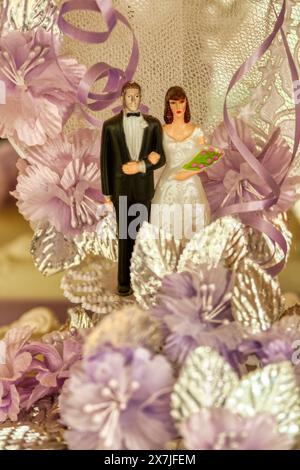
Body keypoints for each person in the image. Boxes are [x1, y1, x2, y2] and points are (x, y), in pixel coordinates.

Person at [100, 81, 166, 296]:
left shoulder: (153, 125)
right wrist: (107, 193)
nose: (133, 100)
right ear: (122, 97)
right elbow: (106, 161)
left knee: (142, 234)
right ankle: (124, 281)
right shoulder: (110, 126)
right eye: (129, 96)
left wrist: (143, 165)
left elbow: (160, 157)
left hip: (143, 188)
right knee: (124, 235)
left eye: (137, 96)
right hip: (121, 189)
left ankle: (142, 278)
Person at [150, 86, 211, 239]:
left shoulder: (197, 131)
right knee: (165, 224)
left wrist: (189, 173)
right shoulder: (161, 131)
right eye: (173, 103)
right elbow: (154, 157)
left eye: (181, 102)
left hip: (191, 185)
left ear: (186, 103)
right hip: (168, 183)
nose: (178, 107)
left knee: (193, 224)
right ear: (168, 105)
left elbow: (206, 157)